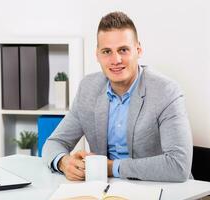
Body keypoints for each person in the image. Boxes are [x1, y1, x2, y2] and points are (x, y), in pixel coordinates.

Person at [42, 11, 192, 182]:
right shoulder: (88, 88)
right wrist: (63, 162)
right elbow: (53, 143)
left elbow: (178, 166)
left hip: (161, 189)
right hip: (107, 191)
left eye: (123, 50)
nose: (116, 60)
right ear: (97, 55)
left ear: (138, 50)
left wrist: (111, 167)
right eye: (107, 51)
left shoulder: (166, 91)